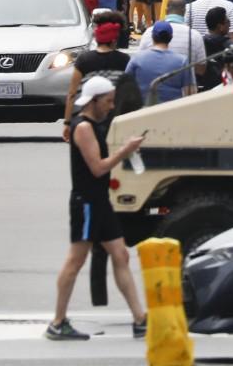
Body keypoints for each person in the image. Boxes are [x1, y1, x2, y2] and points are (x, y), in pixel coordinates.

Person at [47, 75, 148, 342]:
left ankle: (140, 318)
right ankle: (58, 321)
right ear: (93, 101)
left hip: (100, 201)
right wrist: (125, 151)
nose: (111, 106)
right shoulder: (83, 127)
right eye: (108, 101)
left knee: (120, 254)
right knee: (75, 260)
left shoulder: (93, 125)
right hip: (87, 202)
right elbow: (98, 168)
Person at [125, 20, 194, 103]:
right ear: (171, 37)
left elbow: (125, 86)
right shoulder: (182, 61)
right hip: (172, 109)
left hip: (143, 109)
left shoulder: (137, 58)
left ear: (152, 36)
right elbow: (191, 93)